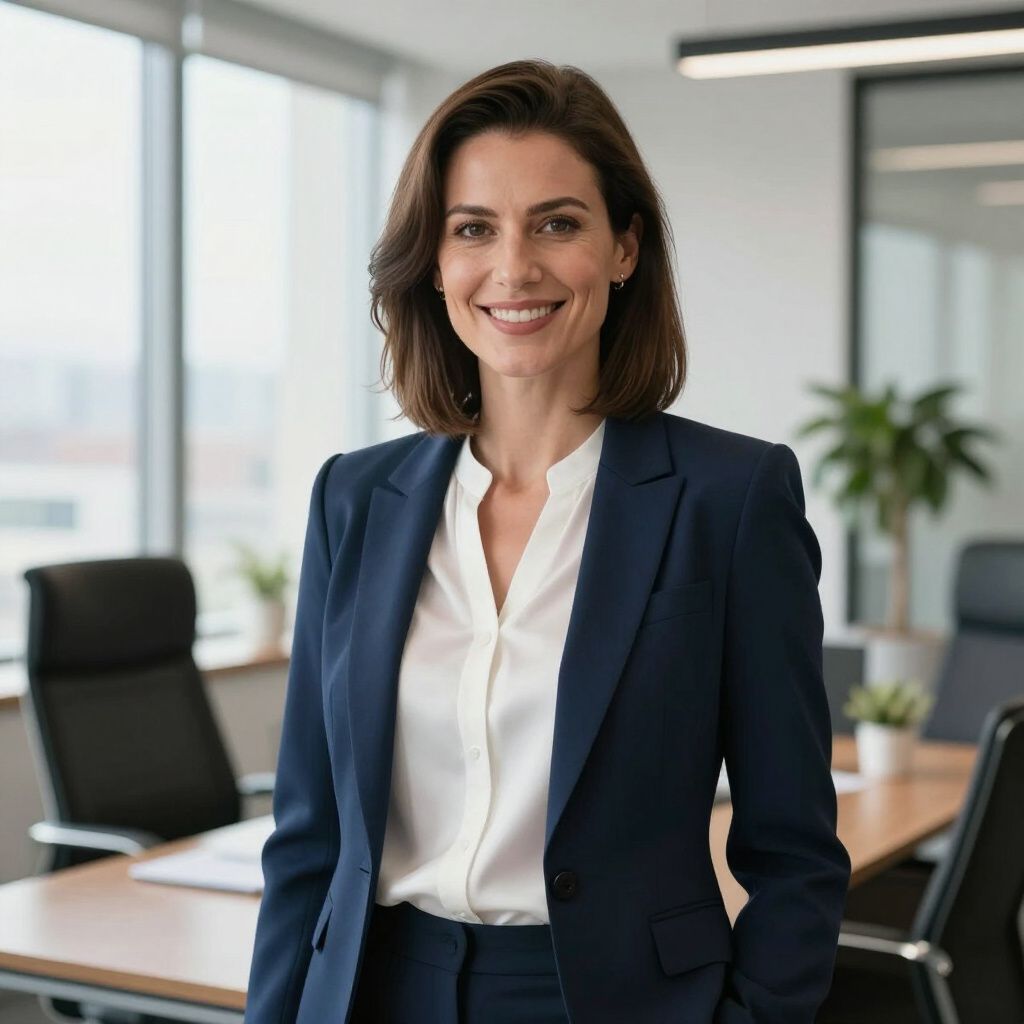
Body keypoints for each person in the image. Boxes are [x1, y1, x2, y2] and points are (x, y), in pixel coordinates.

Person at [243, 59, 851, 1024]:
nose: (513, 267)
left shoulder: (729, 500)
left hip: (608, 1001)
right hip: (372, 988)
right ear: (435, 262)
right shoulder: (354, 500)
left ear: (623, 248)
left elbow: (795, 853)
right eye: (473, 229)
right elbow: (308, 838)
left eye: (557, 223)